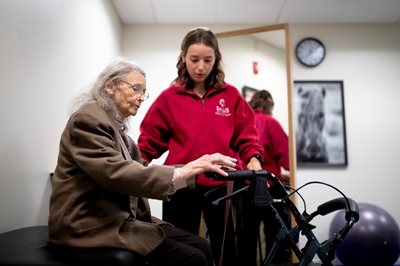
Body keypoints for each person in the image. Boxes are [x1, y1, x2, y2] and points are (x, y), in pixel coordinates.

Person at [48, 58, 238, 266]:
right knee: (193, 258)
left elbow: (140, 169)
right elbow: (117, 172)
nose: (141, 98)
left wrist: (192, 169)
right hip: (89, 225)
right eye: (135, 89)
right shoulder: (88, 120)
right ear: (110, 86)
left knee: (202, 246)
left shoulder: (119, 131)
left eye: (143, 92)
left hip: (116, 219)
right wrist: (188, 170)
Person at [137, 27, 263, 266]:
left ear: (216, 59)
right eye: (194, 59)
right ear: (183, 56)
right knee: (182, 252)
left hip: (223, 184)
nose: (200, 67)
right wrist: (133, 168)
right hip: (181, 185)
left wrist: (254, 159)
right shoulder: (169, 97)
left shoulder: (231, 95)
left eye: (208, 60)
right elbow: (149, 141)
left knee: (227, 251)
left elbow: (247, 136)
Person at [245, 89, 292, 265]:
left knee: (247, 236)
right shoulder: (271, 122)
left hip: (244, 186)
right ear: (269, 105)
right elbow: (288, 159)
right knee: (275, 234)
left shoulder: (244, 123)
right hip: (270, 187)